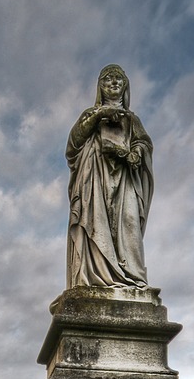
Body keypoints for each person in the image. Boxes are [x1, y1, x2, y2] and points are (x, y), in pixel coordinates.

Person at [65, 64, 153, 289]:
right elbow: (73, 145)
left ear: (125, 87)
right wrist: (98, 117)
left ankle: (132, 279)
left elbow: (143, 143)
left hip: (125, 181)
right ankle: (96, 277)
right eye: (107, 79)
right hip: (94, 178)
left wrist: (135, 153)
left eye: (118, 80)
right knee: (95, 223)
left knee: (129, 223)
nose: (113, 83)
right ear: (100, 86)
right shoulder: (90, 115)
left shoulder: (132, 120)